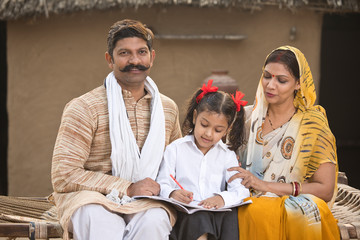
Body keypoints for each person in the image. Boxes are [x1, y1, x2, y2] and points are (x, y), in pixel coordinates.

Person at [50, 19, 182, 240]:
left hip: (146, 200)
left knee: (156, 220)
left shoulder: (167, 109)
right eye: (124, 53)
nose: (134, 60)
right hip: (91, 198)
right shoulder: (84, 107)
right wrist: (128, 188)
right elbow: (64, 175)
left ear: (152, 56)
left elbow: (176, 162)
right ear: (109, 59)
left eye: (141, 52)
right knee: (100, 220)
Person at [228, 46, 340, 239]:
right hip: (242, 200)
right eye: (267, 76)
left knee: (268, 211)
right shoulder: (245, 118)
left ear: (298, 84)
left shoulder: (313, 125)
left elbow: (325, 189)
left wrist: (265, 186)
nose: (271, 85)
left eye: (282, 80)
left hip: (289, 203)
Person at [156, 80, 251, 240]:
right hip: (187, 216)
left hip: (217, 215)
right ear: (195, 117)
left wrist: (221, 198)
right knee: (199, 217)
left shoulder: (227, 155)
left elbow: (240, 190)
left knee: (231, 216)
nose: (208, 133)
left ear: (227, 130)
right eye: (204, 124)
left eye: (217, 130)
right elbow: (162, 182)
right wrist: (173, 192)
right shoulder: (176, 149)